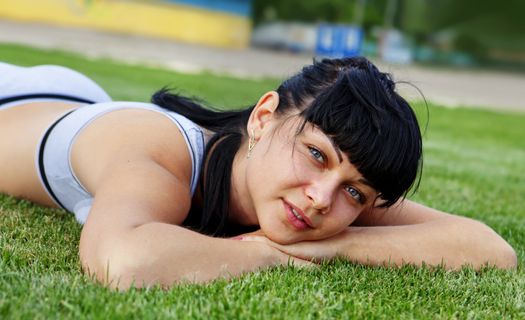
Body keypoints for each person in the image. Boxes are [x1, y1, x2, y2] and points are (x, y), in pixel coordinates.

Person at [0, 58, 517, 290]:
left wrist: (336, 246)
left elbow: (491, 252)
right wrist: (265, 252)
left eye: (355, 192)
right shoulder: (162, 155)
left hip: (75, 102)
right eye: (316, 154)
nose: (320, 199)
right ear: (264, 117)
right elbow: (121, 262)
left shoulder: (333, 193)